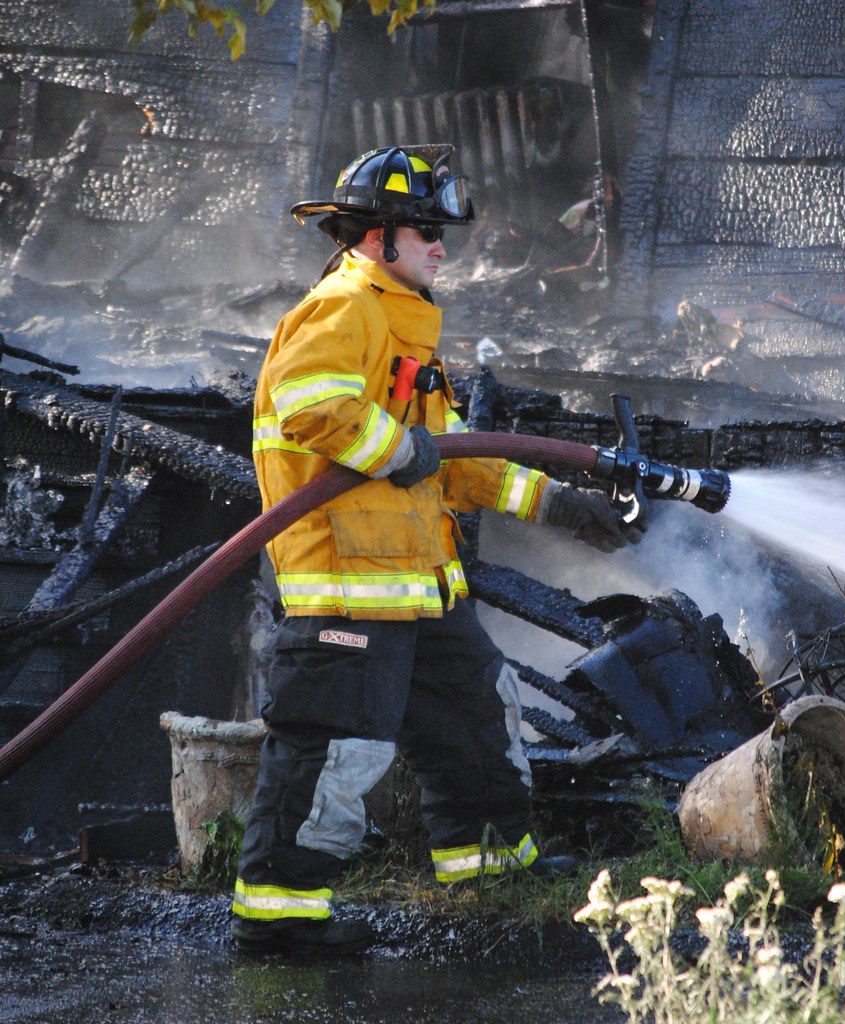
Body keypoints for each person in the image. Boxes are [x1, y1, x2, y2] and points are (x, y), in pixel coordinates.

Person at [231, 144, 638, 954]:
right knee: (335, 751)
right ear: (377, 238)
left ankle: (488, 869)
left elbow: (451, 457)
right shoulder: (345, 306)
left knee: (477, 716)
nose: (442, 248)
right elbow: (310, 406)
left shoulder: (402, 324)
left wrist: (558, 503)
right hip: (350, 587)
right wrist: (397, 447)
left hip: (418, 585)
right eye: (427, 232)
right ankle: (278, 916)